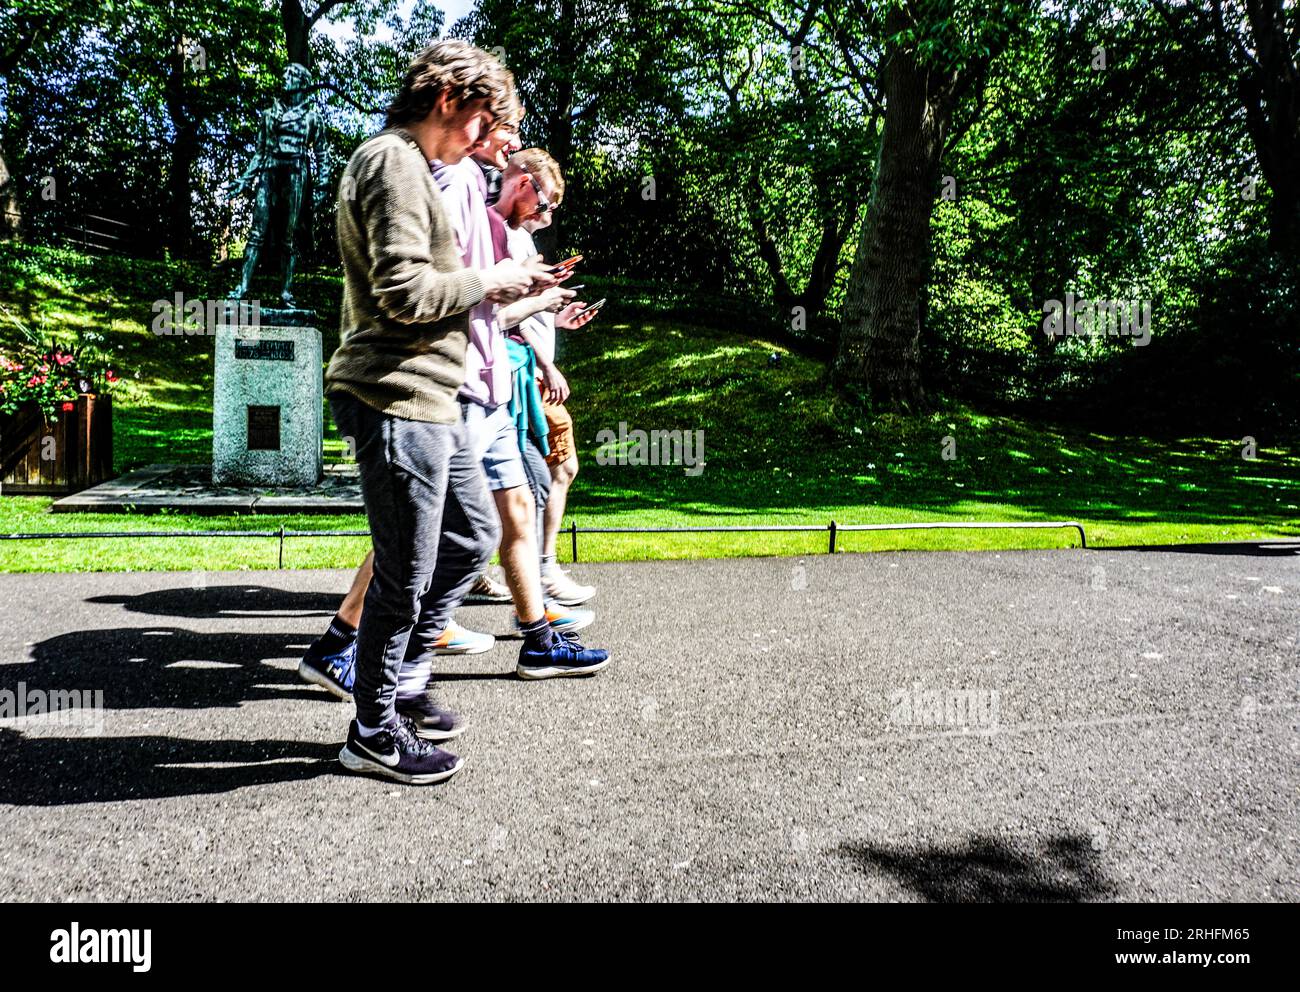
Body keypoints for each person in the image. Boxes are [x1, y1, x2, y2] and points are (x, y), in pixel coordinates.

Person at [319, 40, 539, 784]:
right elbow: (405, 293)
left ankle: (405, 681)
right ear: (449, 99)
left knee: (473, 534)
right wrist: (492, 279)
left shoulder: (419, 167)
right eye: (483, 122)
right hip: (392, 392)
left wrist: (494, 284)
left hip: (431, 396)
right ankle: (373, 732)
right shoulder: (391, 162)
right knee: (404, 574)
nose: (486, 141)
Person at [489, 148, 598, 606]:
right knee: (539, 477)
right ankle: (538, 583)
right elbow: (503, 318)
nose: (548, 213)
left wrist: (559, 316)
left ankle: (527, 593)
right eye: (547, 203)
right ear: (523, 184)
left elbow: (521, 313)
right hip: (520, 375)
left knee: (531, 479)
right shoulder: (505, 236)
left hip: (522, 372)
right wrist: (548, 364)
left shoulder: (520, 241)